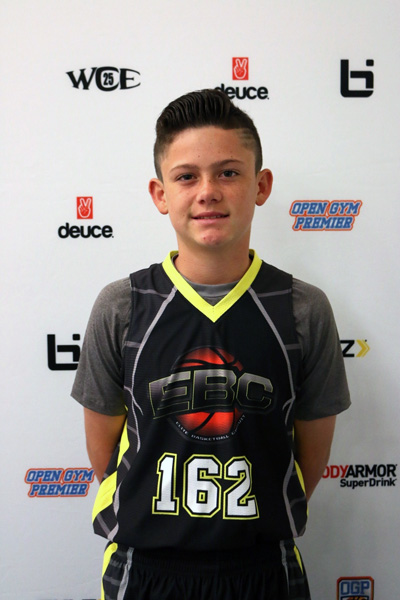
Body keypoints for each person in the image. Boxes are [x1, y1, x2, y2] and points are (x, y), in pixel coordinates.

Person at [72, 89, 350, 600]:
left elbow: (310, 457)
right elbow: (103, 452)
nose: (208, 192)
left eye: (228, 172)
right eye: (186, 177)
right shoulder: (122, 306)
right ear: (160, 194)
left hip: (264, 568)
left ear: (260, 185)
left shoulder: (302, 310)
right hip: (146, 568)